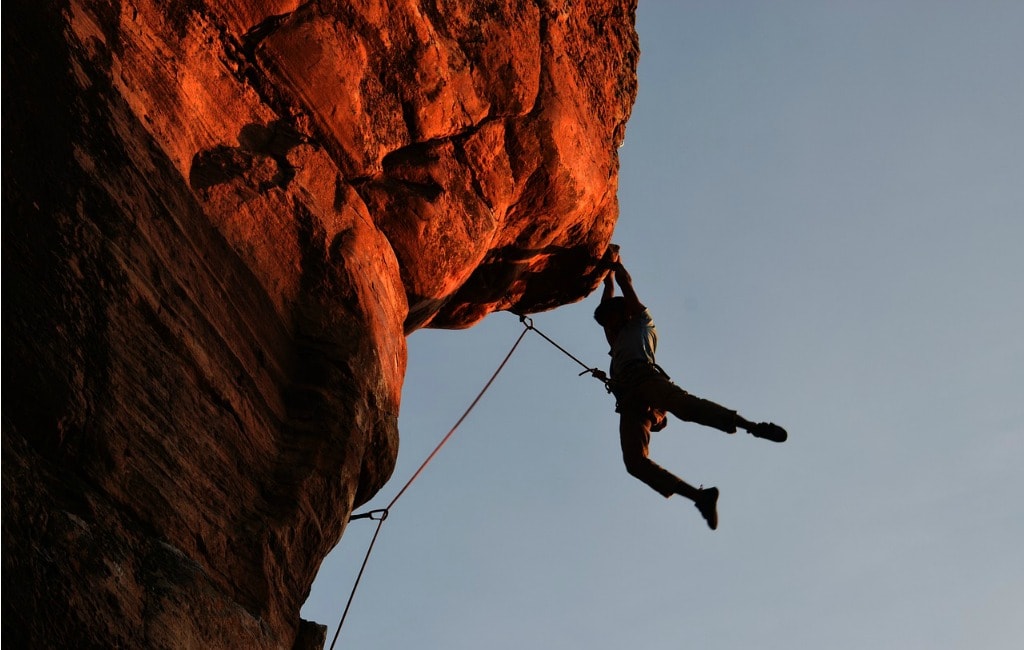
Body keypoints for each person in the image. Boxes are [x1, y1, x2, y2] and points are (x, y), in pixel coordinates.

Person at [593, 246, 787, 530]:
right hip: (630, 400)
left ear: (623, 315)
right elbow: (609, 291)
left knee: (685, 407)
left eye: (610, 320)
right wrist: (606, 273)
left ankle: (752, 426)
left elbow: (624, 284)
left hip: (647, 380)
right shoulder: (617, 338)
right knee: (634, 463)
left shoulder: (642, 324)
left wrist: (616, 262)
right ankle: (699, 497)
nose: (606, 327)